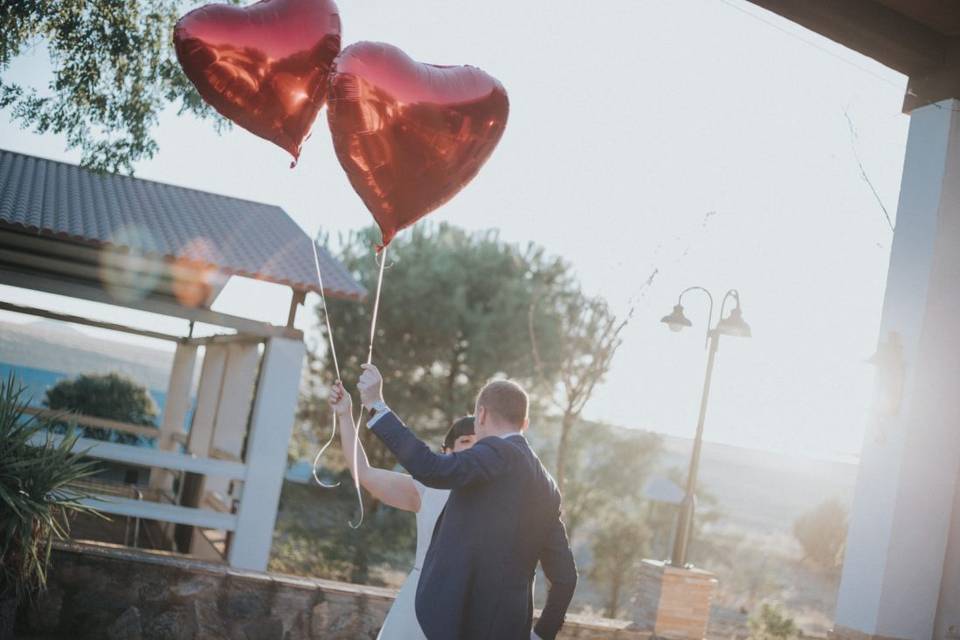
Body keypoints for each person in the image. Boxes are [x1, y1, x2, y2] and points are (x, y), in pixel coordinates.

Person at [356, 364, 578, 640]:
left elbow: (431, 468)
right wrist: (542, 634)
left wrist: (377, 405)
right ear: (525, 423)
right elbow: (565, 577)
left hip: (461, 626)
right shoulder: (548, 486)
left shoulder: (496, 452)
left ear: (481, 414)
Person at [328, 382, 476, 640]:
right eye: (465, 440)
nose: (474, 447)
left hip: (470, 611)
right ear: (447, 451)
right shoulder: (427, 490)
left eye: (480, 442)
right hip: (419, 603)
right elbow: (363, 472)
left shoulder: (501, 498)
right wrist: (344, 415)